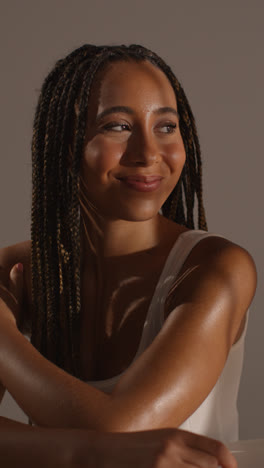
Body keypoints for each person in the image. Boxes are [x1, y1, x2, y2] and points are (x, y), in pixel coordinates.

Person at [0, 43, 256, 466]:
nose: (148, 153)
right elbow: (115, 450)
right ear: (65, 144)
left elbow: (124, 432)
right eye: (118, 126)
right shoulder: (22, 271)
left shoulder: (216, 269)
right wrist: (85, 450)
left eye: (166, 126)